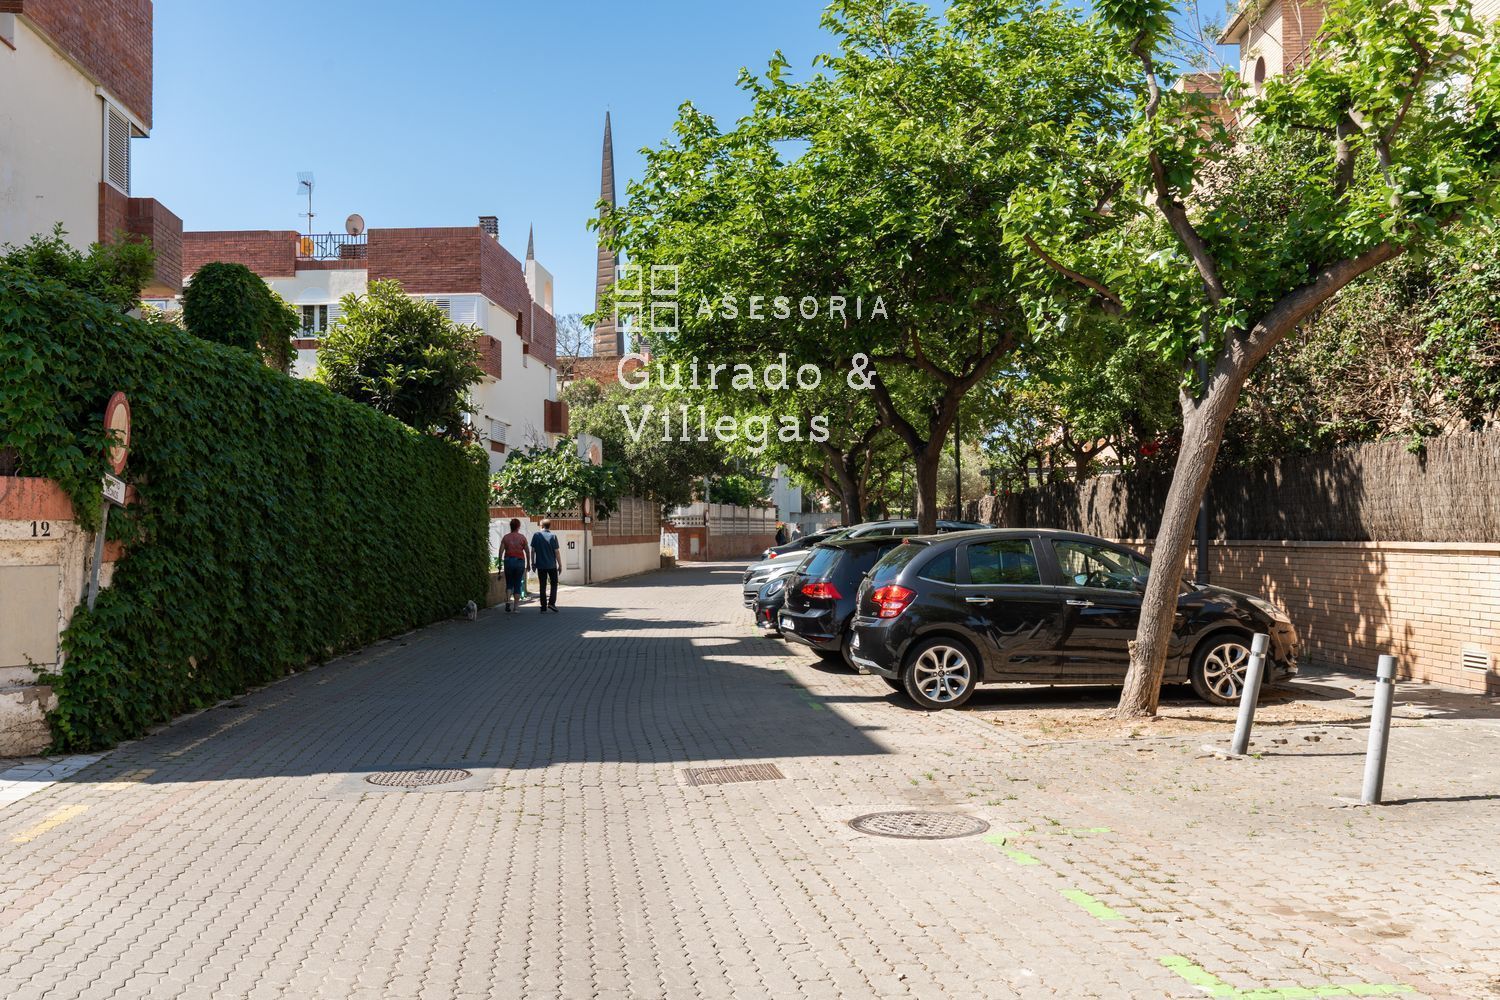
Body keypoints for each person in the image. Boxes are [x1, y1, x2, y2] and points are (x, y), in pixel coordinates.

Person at [531, 519, 562, 613]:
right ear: (549, 526)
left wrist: (533, 563)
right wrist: (560, 564)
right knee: (554, 584)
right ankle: (551, 603)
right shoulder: (553, 536)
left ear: (541, 526)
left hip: (540, 565)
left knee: (542, 585)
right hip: (552, 565)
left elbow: (533, 551)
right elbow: (556, 552)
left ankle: (543, 606)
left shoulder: (536, 535)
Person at [499, 518, 529, 612]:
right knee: (517, 583)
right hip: (520, 562)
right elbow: (527, 551)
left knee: (509, 583)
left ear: (510, 526)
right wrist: (528, 563)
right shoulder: (522, 537)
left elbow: (500, 551)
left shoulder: (506, 537)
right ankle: (515, 608)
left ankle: (508, 601)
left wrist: (499, 563)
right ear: (518, 526)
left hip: (508, 561)